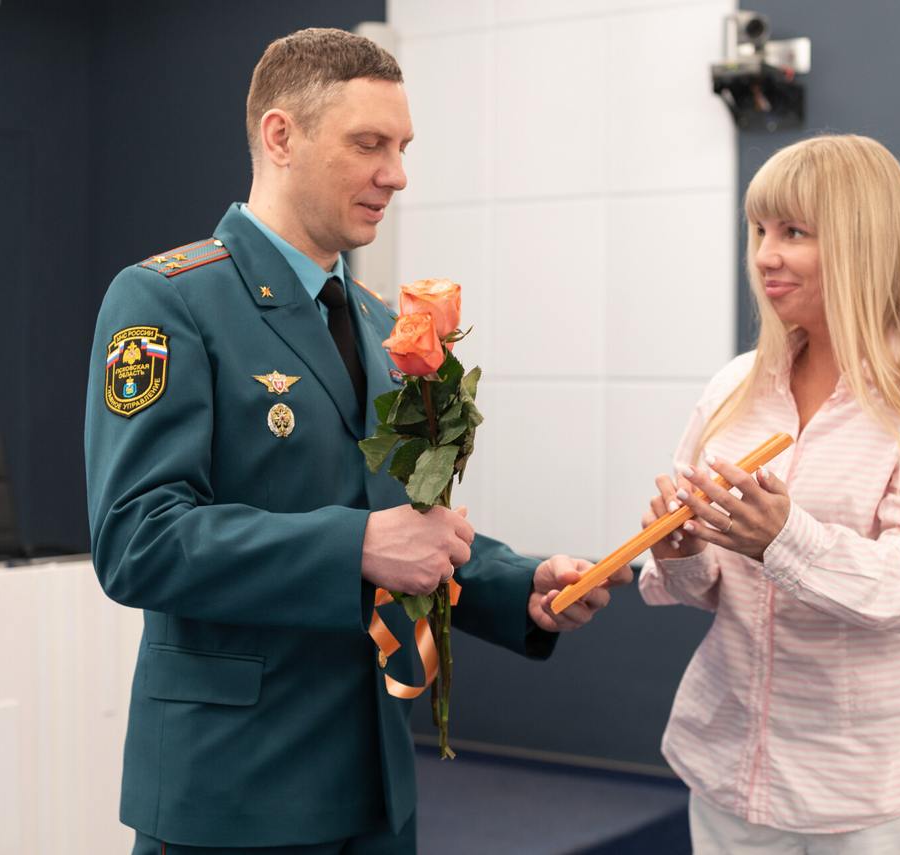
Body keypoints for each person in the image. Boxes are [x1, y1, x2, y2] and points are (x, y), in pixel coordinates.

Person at [84, 28, 629, 855]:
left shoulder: (381, 325)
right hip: (235, 787)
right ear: (280, 137)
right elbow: (139, 541)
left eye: (403, 148)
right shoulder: (168, 301)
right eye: (369, 144)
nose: (396, 174)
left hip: (375, 782)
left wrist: (517, 585)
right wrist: (359, 545)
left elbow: (404, 525)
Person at [639, 134, 900, 854]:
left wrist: (782, 538)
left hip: (878, 797)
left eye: (794, 232)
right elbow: (706, 589)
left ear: (864, 242)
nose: (765, 255)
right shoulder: (734, 387)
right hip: (729, 774)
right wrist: (681, 551)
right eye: (759, 231)